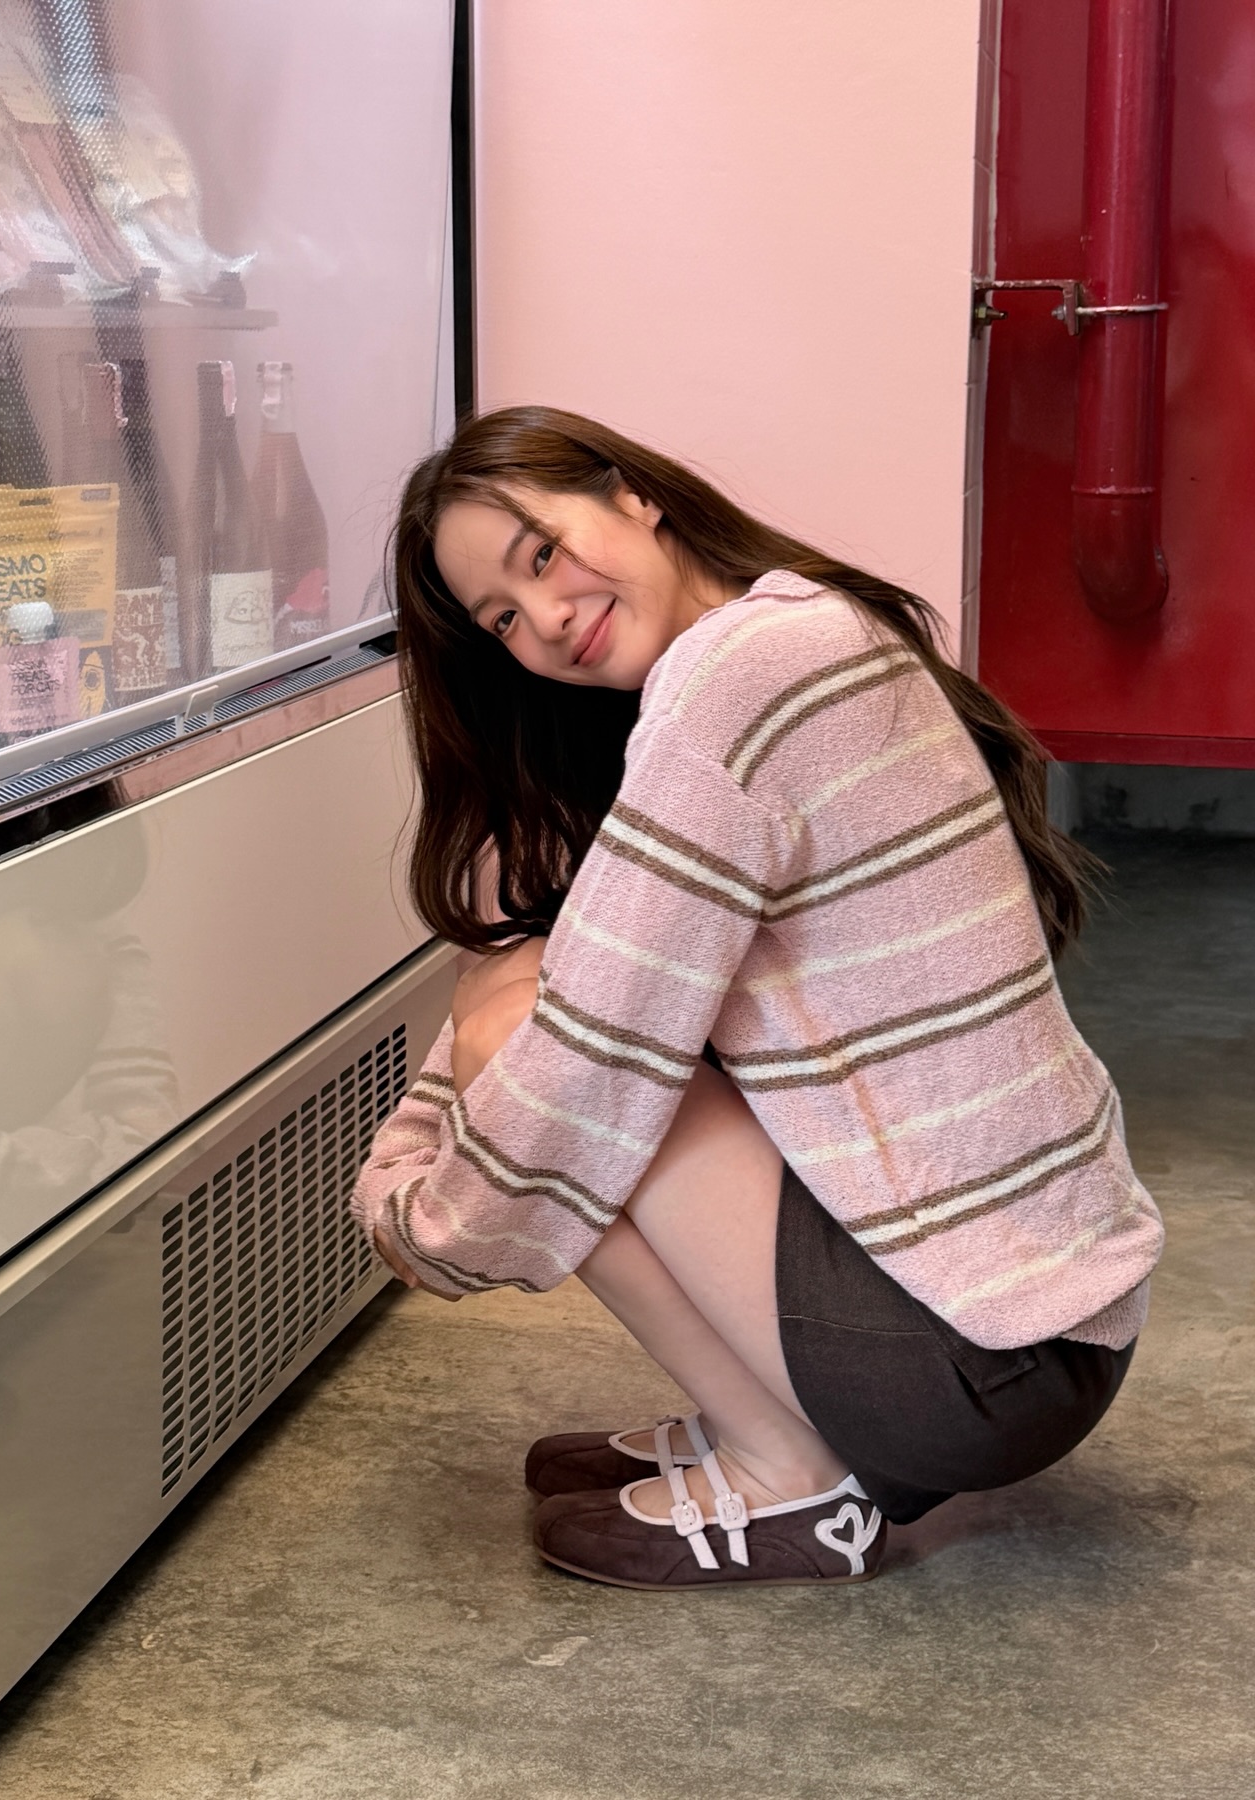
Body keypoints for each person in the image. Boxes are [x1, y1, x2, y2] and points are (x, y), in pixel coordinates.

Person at [349, 405, 1163, 1591]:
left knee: (526, 1039)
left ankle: (791, 1470)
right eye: (505, 619)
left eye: (542, 555)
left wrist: (419, 1212)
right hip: (1037, 1331)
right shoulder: (802, 630)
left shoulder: (739, 678)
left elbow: (579, 1057)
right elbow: (588, 977)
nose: (548, 618)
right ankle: (782, 1421)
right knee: (531, 996)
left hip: (979, 1363)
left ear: (633, 495)